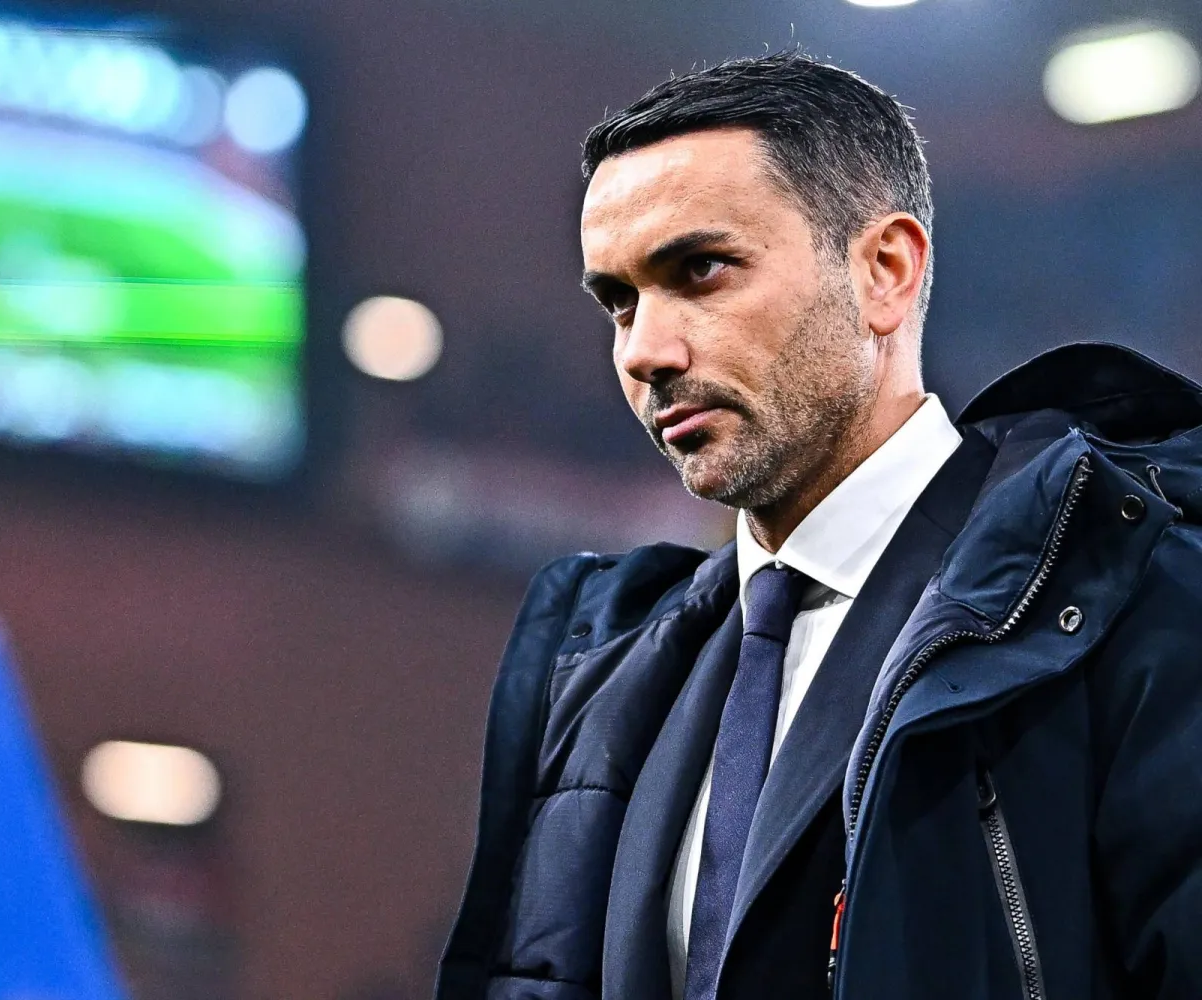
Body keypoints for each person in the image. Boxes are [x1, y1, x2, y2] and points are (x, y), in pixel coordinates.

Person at [436, 50, 1202, 1000]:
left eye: (702, 270)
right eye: (621, 301)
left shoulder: (1135, 588)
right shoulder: (606, 674)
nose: (645, 352)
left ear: (885, 270)